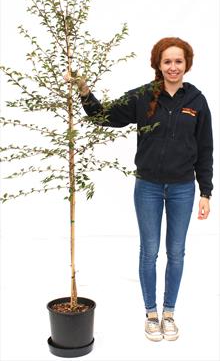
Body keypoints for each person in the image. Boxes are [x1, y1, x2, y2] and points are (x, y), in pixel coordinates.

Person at [66, 37, 213, 342]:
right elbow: (102, 115)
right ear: (158, 65)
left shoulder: (197, 101)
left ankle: (169, 312)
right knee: (149, 251)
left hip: (183, 189)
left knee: (176, 252)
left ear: (187, 64)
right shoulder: (144, 97)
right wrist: (83, 89)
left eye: (178, 61)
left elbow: (205, 149)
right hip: (147, 186)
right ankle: (151, 314)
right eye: (167, 61)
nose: (173, 67)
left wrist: (206, 192)